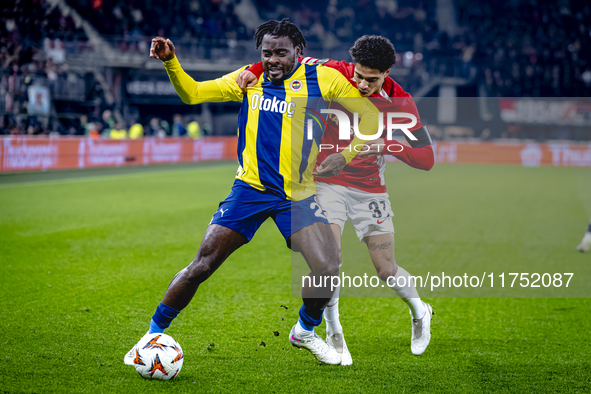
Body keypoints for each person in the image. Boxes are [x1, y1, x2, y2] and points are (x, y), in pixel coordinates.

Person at [123, 19, 380, 366]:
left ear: (298, 53)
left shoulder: (323, 79)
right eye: (267, 53)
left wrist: (346, 155)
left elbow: (370, 117)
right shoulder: (250, 78)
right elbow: (193, 94)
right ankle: (151, 335)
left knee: (328, 267)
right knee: (202, 265)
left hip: (297, 196)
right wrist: (171, 61)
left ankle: (304, 329)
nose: (272, 60)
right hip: (250, 190)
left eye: (281, 53)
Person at [237, 35, 435, 365]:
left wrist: (386, 147)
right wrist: (254, 68)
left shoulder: (401, 102)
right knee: (331, 259)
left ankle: (420, 312)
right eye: (358, 75)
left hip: (371, 190)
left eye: (371, 79)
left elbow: (427, 157)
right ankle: (333, 331)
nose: (360, 84)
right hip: (327, 183)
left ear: (387, 72)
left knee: (385, 268)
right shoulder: (333, 71)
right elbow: (286, 60)